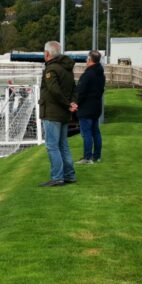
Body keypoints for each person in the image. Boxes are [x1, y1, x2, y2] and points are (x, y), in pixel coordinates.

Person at [39, 40, 77, 187]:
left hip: (52, 113)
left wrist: (68, 104)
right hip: (64, 113)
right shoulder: (67, 69)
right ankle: (69, 175)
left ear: (47, 53)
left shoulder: (51, 69)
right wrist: (72, 103)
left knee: (52, 146)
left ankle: (57, 177)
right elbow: (74, 88)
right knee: (63, 145)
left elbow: (54, 90)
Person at [76, 50, 106, 164]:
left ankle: (87, 157)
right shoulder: (101, 74)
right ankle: (97, 156)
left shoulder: (88, 74)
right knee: (96, 132)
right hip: (96, 107)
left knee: (87, 133)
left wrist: (76, 103)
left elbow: (81, 92)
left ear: (89, 60)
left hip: (86, 108)